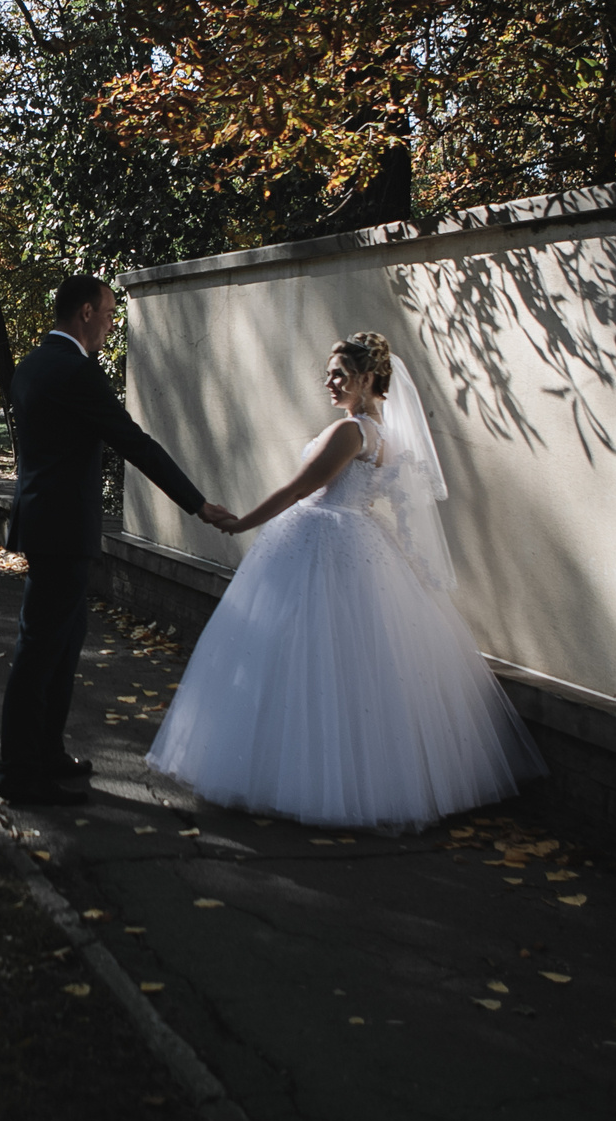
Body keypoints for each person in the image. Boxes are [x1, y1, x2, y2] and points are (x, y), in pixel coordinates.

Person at [145, 330, 544, 830]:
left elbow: (299, 488)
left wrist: (241, 522)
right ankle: (347, 776)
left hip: (325, 538)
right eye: (329, 374)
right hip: (360, 539)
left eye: (341, 375)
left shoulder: (350, 433)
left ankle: (301, 779)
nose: (330, 383)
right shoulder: (385, 435)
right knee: (346, 664)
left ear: (369, 377)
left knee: (304, 657)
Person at [2, 275, 237, 806]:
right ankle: (20, 774)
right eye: (109, 313)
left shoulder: (32, 367)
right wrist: (197, 503)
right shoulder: (76, 372)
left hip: (45, 524)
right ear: (85, 312)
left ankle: (47, 752)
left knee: (60, 647)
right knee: (40, 653)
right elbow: (134, 443)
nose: (112, 324)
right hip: (63, 531)